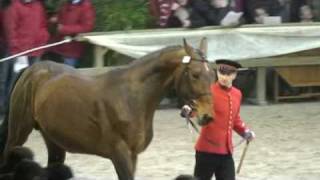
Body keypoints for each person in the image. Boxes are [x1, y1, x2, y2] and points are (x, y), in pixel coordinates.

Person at [181, 59, 255, 180]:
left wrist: (245, 132)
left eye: (228, 74)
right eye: (221, 73)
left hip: (226, 152)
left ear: (235, 75)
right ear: (217, 73)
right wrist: (188, 111)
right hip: (206, 151)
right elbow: (197, 108)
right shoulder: (208, 91)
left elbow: (235, 119)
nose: (224, 77)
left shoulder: (237, 94)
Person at [49, 0, 95, 67]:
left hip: (72, 48)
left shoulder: (86, 6)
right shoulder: (66, 3)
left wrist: (64, 29)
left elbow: (86, 27)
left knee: (67, 74)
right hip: (59, 46)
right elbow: (61, 17)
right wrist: (56, 19)